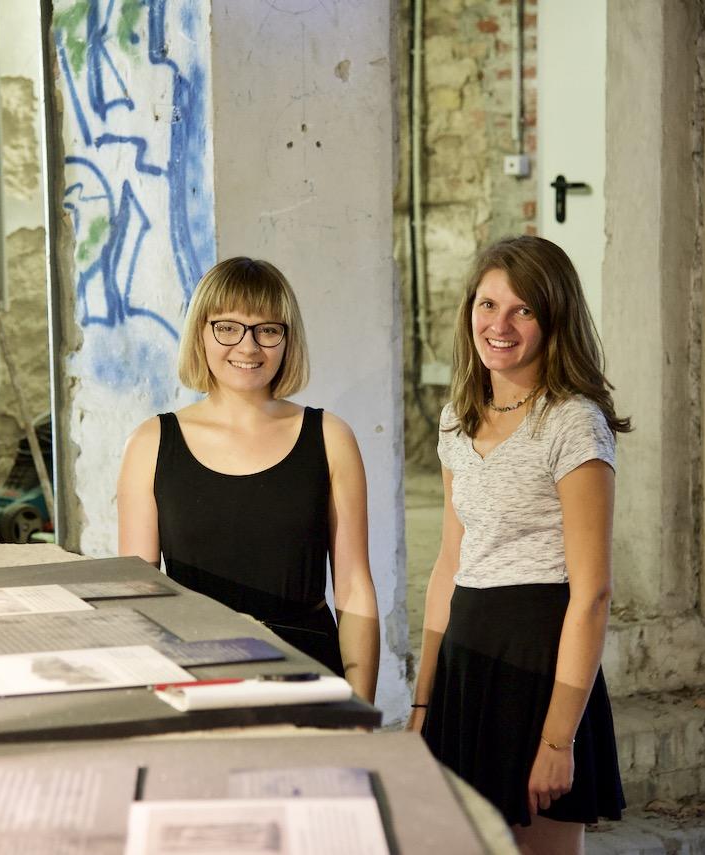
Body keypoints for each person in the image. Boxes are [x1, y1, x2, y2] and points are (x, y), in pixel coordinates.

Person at [409, 235, 628, 853]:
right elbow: (449, 565)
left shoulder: (571, 421)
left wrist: (558, 741)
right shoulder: (458, 417)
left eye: (522, 310)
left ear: (552, 319)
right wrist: (425, 702)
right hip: (467, 658)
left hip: (540, 661)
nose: (498, 325)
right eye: (487, 305)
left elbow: (592, 593)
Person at [117, 256, 379, 702]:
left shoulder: (331, 437)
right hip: (195, 677)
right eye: (228, 327)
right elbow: (139, 595)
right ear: (201, 332)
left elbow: (354, 588)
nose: (248, 347)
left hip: (308, 672)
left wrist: (359, 703)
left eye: (268, 330)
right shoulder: (151, 442)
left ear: (287, 339)